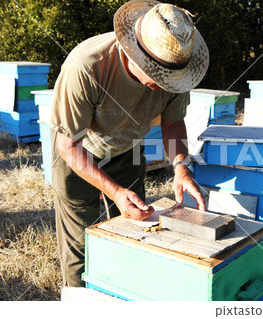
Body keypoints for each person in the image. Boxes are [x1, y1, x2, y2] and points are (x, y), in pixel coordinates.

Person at [50, 0, 209, 287]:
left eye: (173, 80)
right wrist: (113, 191)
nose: (166, 86)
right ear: (132, 54)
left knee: (135, 237)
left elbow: (172, 123)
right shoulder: (86, 66)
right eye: (159, 77)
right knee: (79, 251)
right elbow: (69, 145)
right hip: (78, 152)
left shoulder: (175, 71)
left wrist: (181, 167)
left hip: (127, 153)